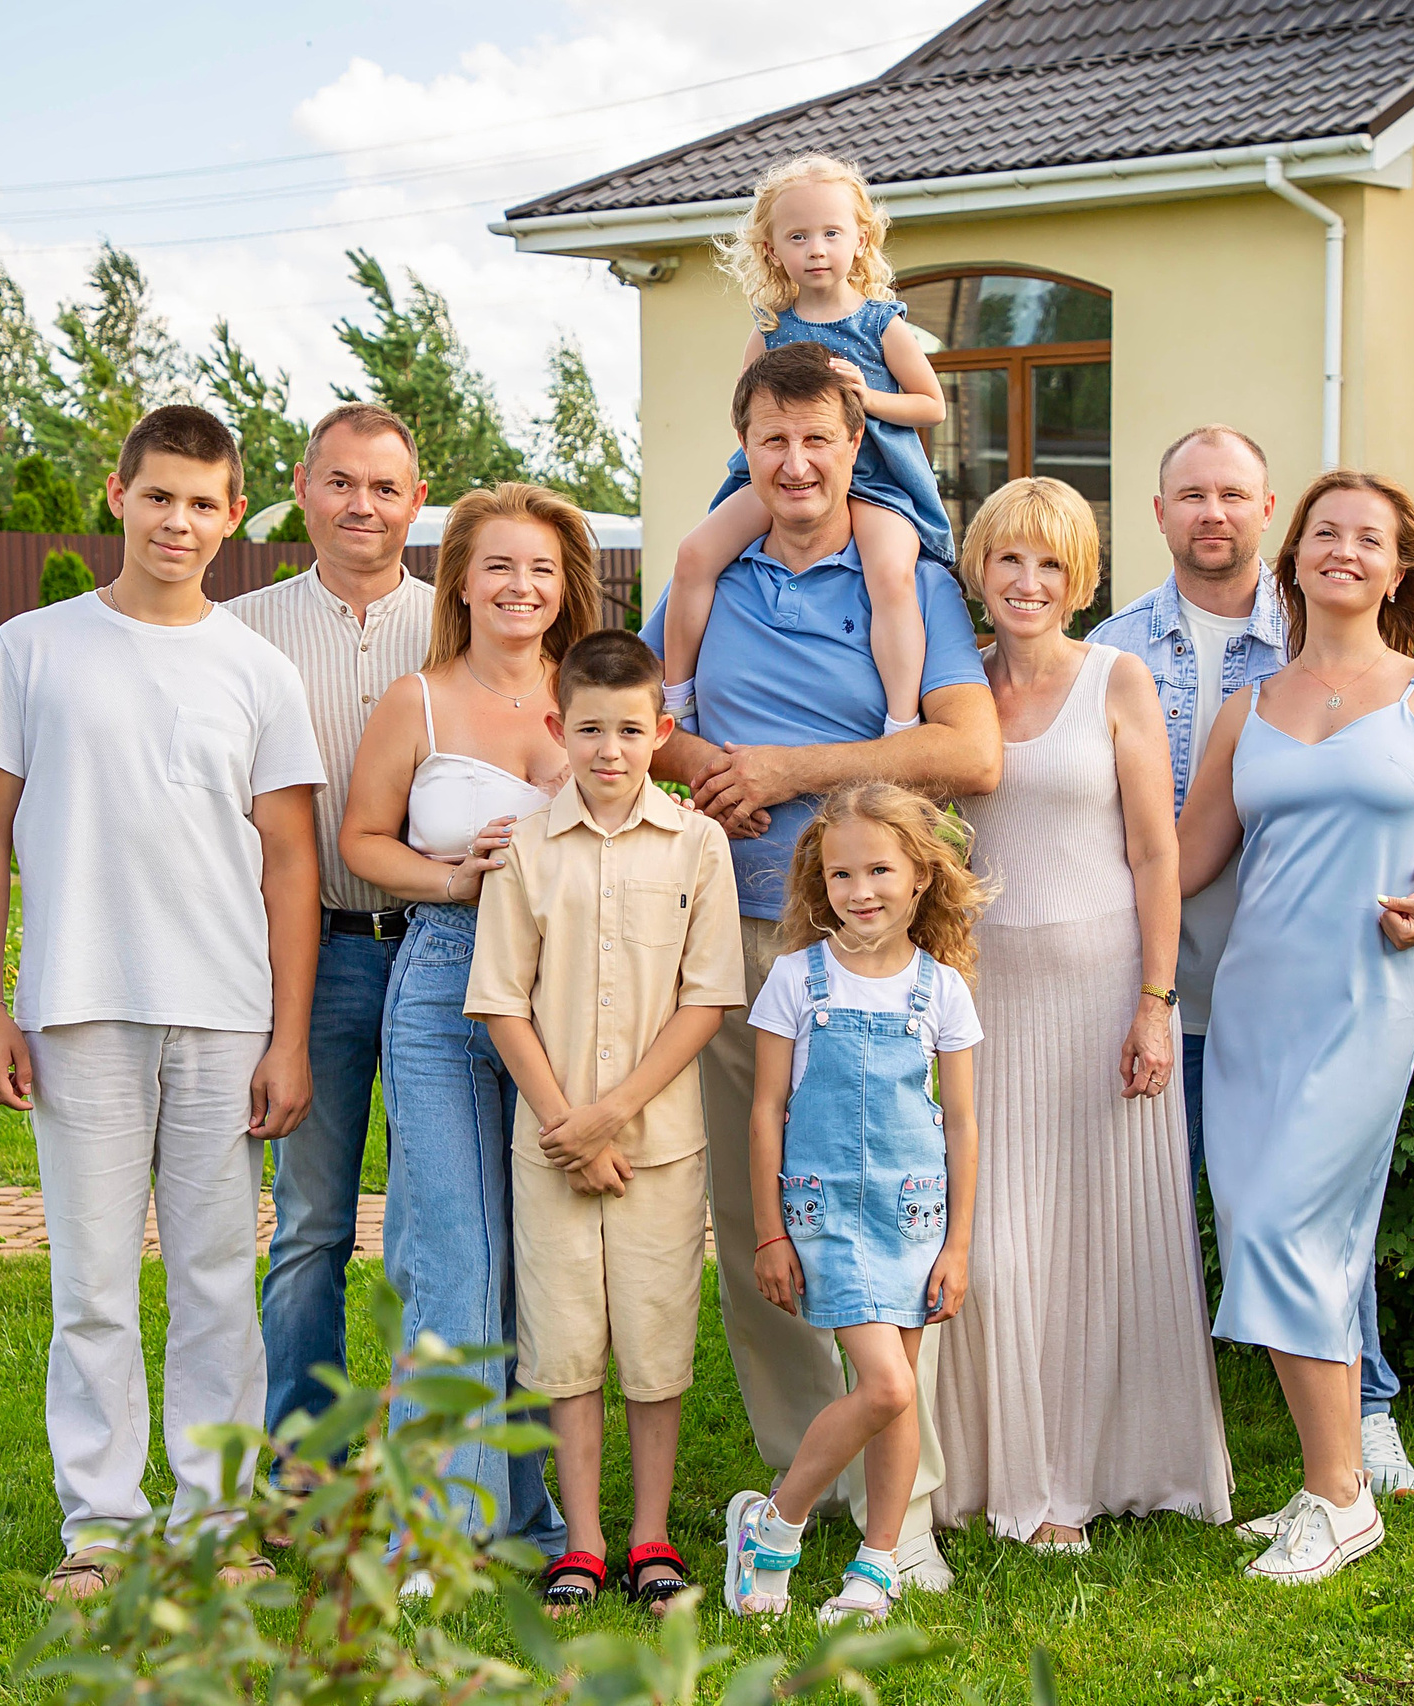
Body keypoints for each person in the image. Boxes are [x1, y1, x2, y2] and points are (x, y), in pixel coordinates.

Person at [642, 339, 1004, 1594]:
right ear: (742, 446)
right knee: (767, 1224)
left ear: (859, 446)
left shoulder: (906, 573)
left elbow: (970, 750)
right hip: (734, 934)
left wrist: (792, 771)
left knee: (899, 1210)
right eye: (771, 441)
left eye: (820, 440)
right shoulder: (710, 566)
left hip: (875, 943)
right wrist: (704, 766)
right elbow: (643, 722)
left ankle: (898, 1512)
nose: (795, 464)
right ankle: (806, 1475)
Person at [0, 405, 327, 1602]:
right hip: (76, 1005)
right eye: (158, 494)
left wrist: (290, 1035)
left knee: (219, 1277)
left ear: (233, 515)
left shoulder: (257, 669)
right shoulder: (35, 646)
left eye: (203, 501)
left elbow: (289, 862)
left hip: (224, 1013)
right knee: (95, 1281)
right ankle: (101, 1523)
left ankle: (217, 1521)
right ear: (117, 494)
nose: (179, 520)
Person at [1089, 424, 1414, 1499]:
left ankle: (1358, 1430)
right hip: (1179, 989)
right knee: (1228, 1216)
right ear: (1157, 513)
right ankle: (1183, 1435)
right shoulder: (1110, 650)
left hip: (1337, 989)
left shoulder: (1337, 649)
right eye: (1189, 493)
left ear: (1267, 517)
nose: (1212, 511)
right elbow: (1175, 844)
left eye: (1233, 493)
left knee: (1313, 1212)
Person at [1176, 470, 1414, 1584]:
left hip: (1367, 997)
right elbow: (1179, 864)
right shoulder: (1247, 708)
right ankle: (1328, 1479)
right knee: (1263, 1232)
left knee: (1288, 1224)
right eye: (1323, 531)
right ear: (1296, 560)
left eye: (1366, 537)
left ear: (1396, 567)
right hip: (1251, 1009)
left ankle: (1340, 1496)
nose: (1342, 549)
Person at [932, 477, 1233, 1550]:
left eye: (1050, 565)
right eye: (1009, 560)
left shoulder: (1119, 676)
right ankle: (987, 1465)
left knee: (1100, 1244)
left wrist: (1156, 1003)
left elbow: (1157, 851)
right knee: (998, 1238)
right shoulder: (948, 687)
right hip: (983, 994)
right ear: (978, 569)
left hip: (1104, 985)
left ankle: (1087, 1477)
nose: (1027, 582)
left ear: (1080, 579)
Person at [340, 482, 601, 1575]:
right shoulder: (419, 700)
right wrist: (451, 877)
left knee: (539, 1260)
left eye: (541, 568)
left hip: (567, 997)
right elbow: (362, 840)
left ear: (565, 585)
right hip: (444, 985)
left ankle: (531, 1515)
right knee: (452, 1254)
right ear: (460, 581)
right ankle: (437, 1528)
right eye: (498, 565)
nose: (521, 587)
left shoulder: (591, 694)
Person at [465, 629, 746, 1616]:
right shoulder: (526, 846)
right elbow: (502, 997)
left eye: (631, 729)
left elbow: (706, 995)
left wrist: (612, 1116)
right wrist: (564, 1123)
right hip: (550, 1146)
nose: (611, 749)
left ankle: (649, 1534)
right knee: (566, 1338)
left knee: (656, 1334)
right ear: (559, 727)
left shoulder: (696, 844)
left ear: (661, 731)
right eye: (590, 728)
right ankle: (581, 1541)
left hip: (657, 1144)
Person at [725, 782, 987, 1627]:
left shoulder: (941, 990)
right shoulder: (797, 980)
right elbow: (766, 1111)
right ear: (819, 883)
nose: (861, 891)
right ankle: (776, 1525)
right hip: (824, 1212)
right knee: (884, 1387)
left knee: (899, 1387)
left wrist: (957, 1246)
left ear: (920, 878)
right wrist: (770, 1231)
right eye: (841, 875)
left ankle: (876, 1567)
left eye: (880, 870)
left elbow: (964, 1128)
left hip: (913, 1215)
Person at [224, 401, 436, 1444]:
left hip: (446, 950)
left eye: (384, 486)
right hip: (316, 952)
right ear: (301, 489)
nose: (363, 504)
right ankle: (306, 1447)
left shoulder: (464, 621)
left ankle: (424, 1441)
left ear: (417, 501)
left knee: (431, 1218)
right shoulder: (242, 631)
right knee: (310, 1220)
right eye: (342, 482)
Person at [658, 153, 948, 740]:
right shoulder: (769, 330)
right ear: (772, 249)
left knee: (891, 573)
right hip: (792, 481)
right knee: (694, 555)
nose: (817, 249)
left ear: (860, 239)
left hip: (876, 483)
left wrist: (868, 398)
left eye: (831, 233)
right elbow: (744, 412)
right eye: (798, 236)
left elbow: (931, 405)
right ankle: (677, 698)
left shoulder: (880, 325)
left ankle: (900, 717)